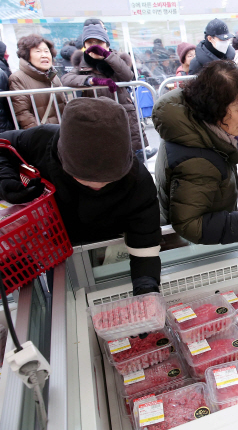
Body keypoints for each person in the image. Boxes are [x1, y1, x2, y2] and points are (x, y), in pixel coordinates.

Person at [0, 98, 162, 295]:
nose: (97, 186)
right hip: (49, 239)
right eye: (83, 179)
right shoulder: (42, 140)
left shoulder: (139, 181)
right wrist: (6, 181)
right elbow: (3, 146)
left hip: (103, 244)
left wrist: (146, 283)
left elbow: (145, 237)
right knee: (56, 297)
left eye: (109, 180)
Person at [153, 60, 238, 244]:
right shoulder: (198, 159)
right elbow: (190, 224)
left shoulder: (189, 124)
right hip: (196, 247)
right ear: (215, 109)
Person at [63, 24, 156, 162]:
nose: (94, 46)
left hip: (123, 109)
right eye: (90, 42)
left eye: (99, 42)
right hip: (96, 112)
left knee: (130, 145)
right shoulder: (82, 62)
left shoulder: (117, 59)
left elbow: (127, 75)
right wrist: (92, 81)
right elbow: (67, 79)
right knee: (106, 151)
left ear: (107, 43)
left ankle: (138, 157)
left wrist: (107, 55)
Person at [8, 34, 66, 129]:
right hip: (41, 136)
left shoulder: (53, 77)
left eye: (47, 51)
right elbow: (22, 114)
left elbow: (63, 105)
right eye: (38, 51)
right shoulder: (17, 78)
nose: (44, 55)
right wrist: (40, 134)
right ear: (27, 56)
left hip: (62, 134)